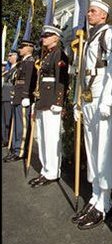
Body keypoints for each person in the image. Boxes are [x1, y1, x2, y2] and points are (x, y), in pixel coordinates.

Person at [72, 0, 112, 230]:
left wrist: (109, 101)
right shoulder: (89, 38)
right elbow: (81, 73)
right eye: (89, 10)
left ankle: (105, 202)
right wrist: (78, 102)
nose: (88, 13)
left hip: (102, 98)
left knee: (104, 150)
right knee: (92, 148)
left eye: (93, 11)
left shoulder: (110, 34)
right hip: (89, 98)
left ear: (103, 15)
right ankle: (95, 197)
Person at [28, 25, 69, 188]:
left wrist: (59, 102)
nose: (43, 38)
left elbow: (62, 80)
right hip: (42, 101)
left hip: (52, 102)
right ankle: (45, 170)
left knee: (51, 139)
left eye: (47, 35)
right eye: (43, 35)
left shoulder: (59, 54)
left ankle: (53, 172)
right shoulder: (46, 56)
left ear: (56, 38)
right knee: (43, 139)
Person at [4, 40, 37, 162]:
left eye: (22, 47)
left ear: (29, 48)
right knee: (17, 124)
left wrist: (26, 96)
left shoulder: (30, 62)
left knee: (22, 126)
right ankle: (15, 148)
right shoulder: (22, 62)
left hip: (23, 98)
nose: (20, 49)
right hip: (17, 96)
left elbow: (29, 80)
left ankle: (20, 150)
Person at [1, 50, 18, 148]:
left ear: (15, 57)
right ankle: (4, 138)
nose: (9, 57)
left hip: (9, 96)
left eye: (10, 56)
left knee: (8, 120)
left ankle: (8, 139)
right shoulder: (9, 68)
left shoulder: (17, 68)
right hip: (4, 95)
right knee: (3, 119)